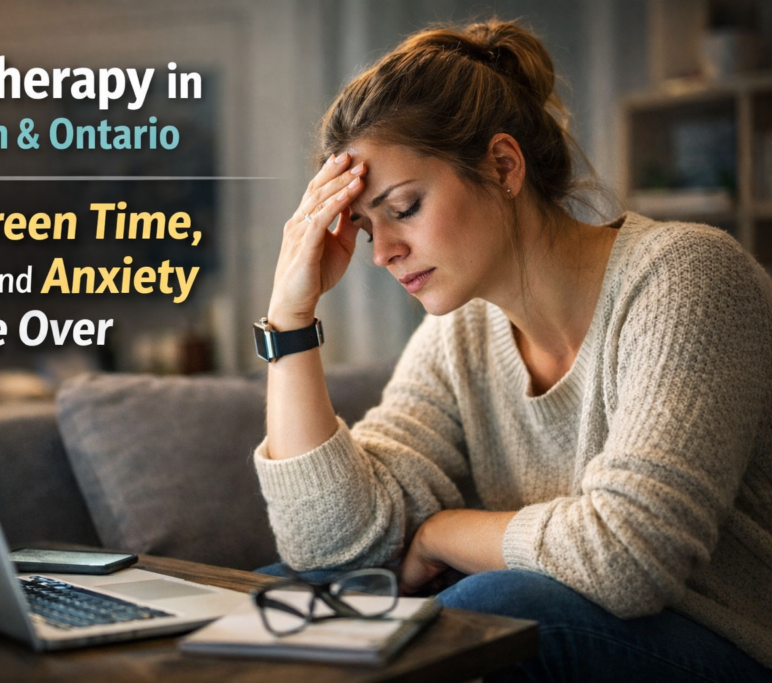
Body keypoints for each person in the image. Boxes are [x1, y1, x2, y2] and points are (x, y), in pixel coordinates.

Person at [251, 17, 772, 682]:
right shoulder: (457, 335)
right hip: (586, 624)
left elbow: (630, 557)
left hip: (729, 640)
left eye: (403, 207)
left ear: (503, 165)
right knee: (290, 592)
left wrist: (440, 533)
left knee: (492, 612)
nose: (382, 253)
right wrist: (291, 317)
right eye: (362, 225)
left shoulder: (686, 275)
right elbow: (333, 547)